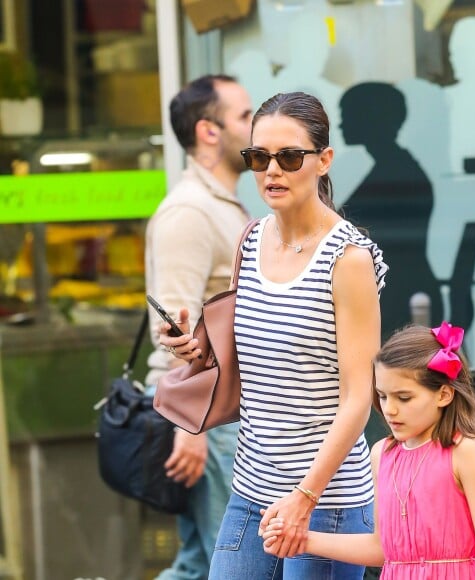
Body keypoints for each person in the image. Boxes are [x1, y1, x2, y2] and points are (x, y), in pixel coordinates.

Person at [158, 91, 388, 579]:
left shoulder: (348, 259)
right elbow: (251, 355)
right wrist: (193, 349)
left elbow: (358, 398)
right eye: (259, 157)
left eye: (289, 157)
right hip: (251, 488)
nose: (272, 171)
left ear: (324, 160)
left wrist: (305, 497)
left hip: (328, 501)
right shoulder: (251, 237)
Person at [263, 321, 475, 579]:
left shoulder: (465, 451)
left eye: (403, 398)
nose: (389, 409)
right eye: (382, 396)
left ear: (444, 395)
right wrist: (301, 539)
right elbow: (383, 548)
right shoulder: (381, 454)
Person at [145, 74, 253, 580]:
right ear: (210, 132)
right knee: (228, 560)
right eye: (245, 117)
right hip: (208, 412)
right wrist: (191, 428)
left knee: (197, 564)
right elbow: (170, 324)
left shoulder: (220, 205)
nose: (257, 129)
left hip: (220, 410)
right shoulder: (189, 212)